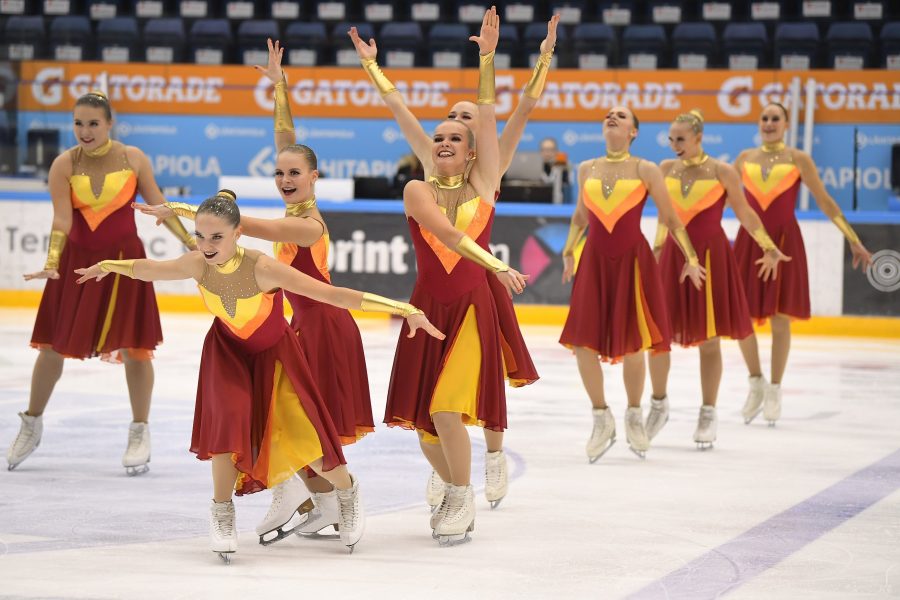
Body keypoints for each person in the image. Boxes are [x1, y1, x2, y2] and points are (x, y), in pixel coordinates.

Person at [77, 190, 444, 561]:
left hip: (275, 357)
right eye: (201, 236)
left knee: (304, 440)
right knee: (225, 426)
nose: (206, 245)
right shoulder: (196, 264)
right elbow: (150, 269)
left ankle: (347, 492)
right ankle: (222, 513)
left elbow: (332, 295)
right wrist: (109, 265)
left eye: (216, 237)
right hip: (227, 353)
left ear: (238, 234)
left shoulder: (263, 268)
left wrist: (403, 307)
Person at [131, 38, 378, 545]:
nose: (286, 178)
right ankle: (312, 500)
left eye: (295, 173)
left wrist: (178, 210)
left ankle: (336, 498)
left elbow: (242, 224)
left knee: (308, 427)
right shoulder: (293, 206)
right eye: (279, 172)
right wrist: (281, 88)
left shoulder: (305, 224)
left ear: (315, 178)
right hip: (293, 325)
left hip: (325, 327)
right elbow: (288, 140)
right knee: (283, 419)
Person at [349, 10, 557, 511]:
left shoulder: (491, 164)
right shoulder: (425, 171)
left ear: (471, 144)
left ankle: (492, 455)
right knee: (435, 408)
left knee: (475, 392)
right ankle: (452, 470)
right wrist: (374, 69)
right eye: (451, 122)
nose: (456, 128)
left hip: (480, 284)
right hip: (438, 293)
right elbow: (400, 110)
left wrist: (536, 56)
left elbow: (517, 110)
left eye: (464, 122)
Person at [383, 8, 527, 545]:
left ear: (471, 153)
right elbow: (444, 236)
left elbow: (493, 118)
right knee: (425, 426)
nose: (444, 141)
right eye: (438, 137)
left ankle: (463, 495)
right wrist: (498, 263)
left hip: (473, 307)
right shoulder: (417, 190)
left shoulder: (487, 183)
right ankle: (452, 481)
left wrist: (487, 58)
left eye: (455, 137)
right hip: (426, 308)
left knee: (447, 406)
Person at [6, 90, 196, 476]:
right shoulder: (63, 164)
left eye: (93, 123)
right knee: (52, 347)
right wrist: (51, 262)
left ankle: (140, 429)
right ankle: (31, 422)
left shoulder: (133, 158)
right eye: (78, 123)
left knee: (136, 347)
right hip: (75, 265)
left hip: (126, 265)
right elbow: (62, 219)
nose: (85, 131)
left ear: (110, 124)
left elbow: (159, 205)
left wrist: (195, 245)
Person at [559, 106, 704, 462]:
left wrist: (692, 257)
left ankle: (634, 415)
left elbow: (670, 217)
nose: (612, 117)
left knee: (634, 341)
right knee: (582, 343)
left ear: (633, 132)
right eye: (609, 114)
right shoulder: (585, 168)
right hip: (593, 260)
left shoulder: (646, 169)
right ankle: (601, 417)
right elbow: (581, 215)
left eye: (621, 116)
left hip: (632, 261)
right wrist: (567, 251)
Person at [645, 110, 790, 449]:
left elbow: (745, 213)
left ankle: (708, 411)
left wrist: (768, 246)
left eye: (680, 139)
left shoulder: (723, 172)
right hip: (673, 258)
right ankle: (658, 403)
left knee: (709, 340)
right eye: (671, 139)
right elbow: (665, 217)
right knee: (659, 336)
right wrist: (656, 250)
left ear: (698, 137)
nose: (674, 145)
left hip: (711, 258)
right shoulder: (664, 169)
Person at [733, 103, 873, 426]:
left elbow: (824, 200)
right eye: (765, 118)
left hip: (785, 241)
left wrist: (852, 238)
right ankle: (756, 382)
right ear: (759, 123)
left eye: (775, 119)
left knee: (781, 318)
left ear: (785, 125)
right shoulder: (743, 159)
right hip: (750, 241)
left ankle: (775, 388)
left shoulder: (798, 159)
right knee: (741, 315)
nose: (769, 123)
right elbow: (724, 199)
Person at [538, 137, 571, 205]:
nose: (547, 153)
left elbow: (568, 188)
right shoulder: (533, 168)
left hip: (558, 207)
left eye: (550, 150)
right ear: (540, 151)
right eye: (544, 150)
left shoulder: (564, 168)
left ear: (556, 151)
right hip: (537, 205)